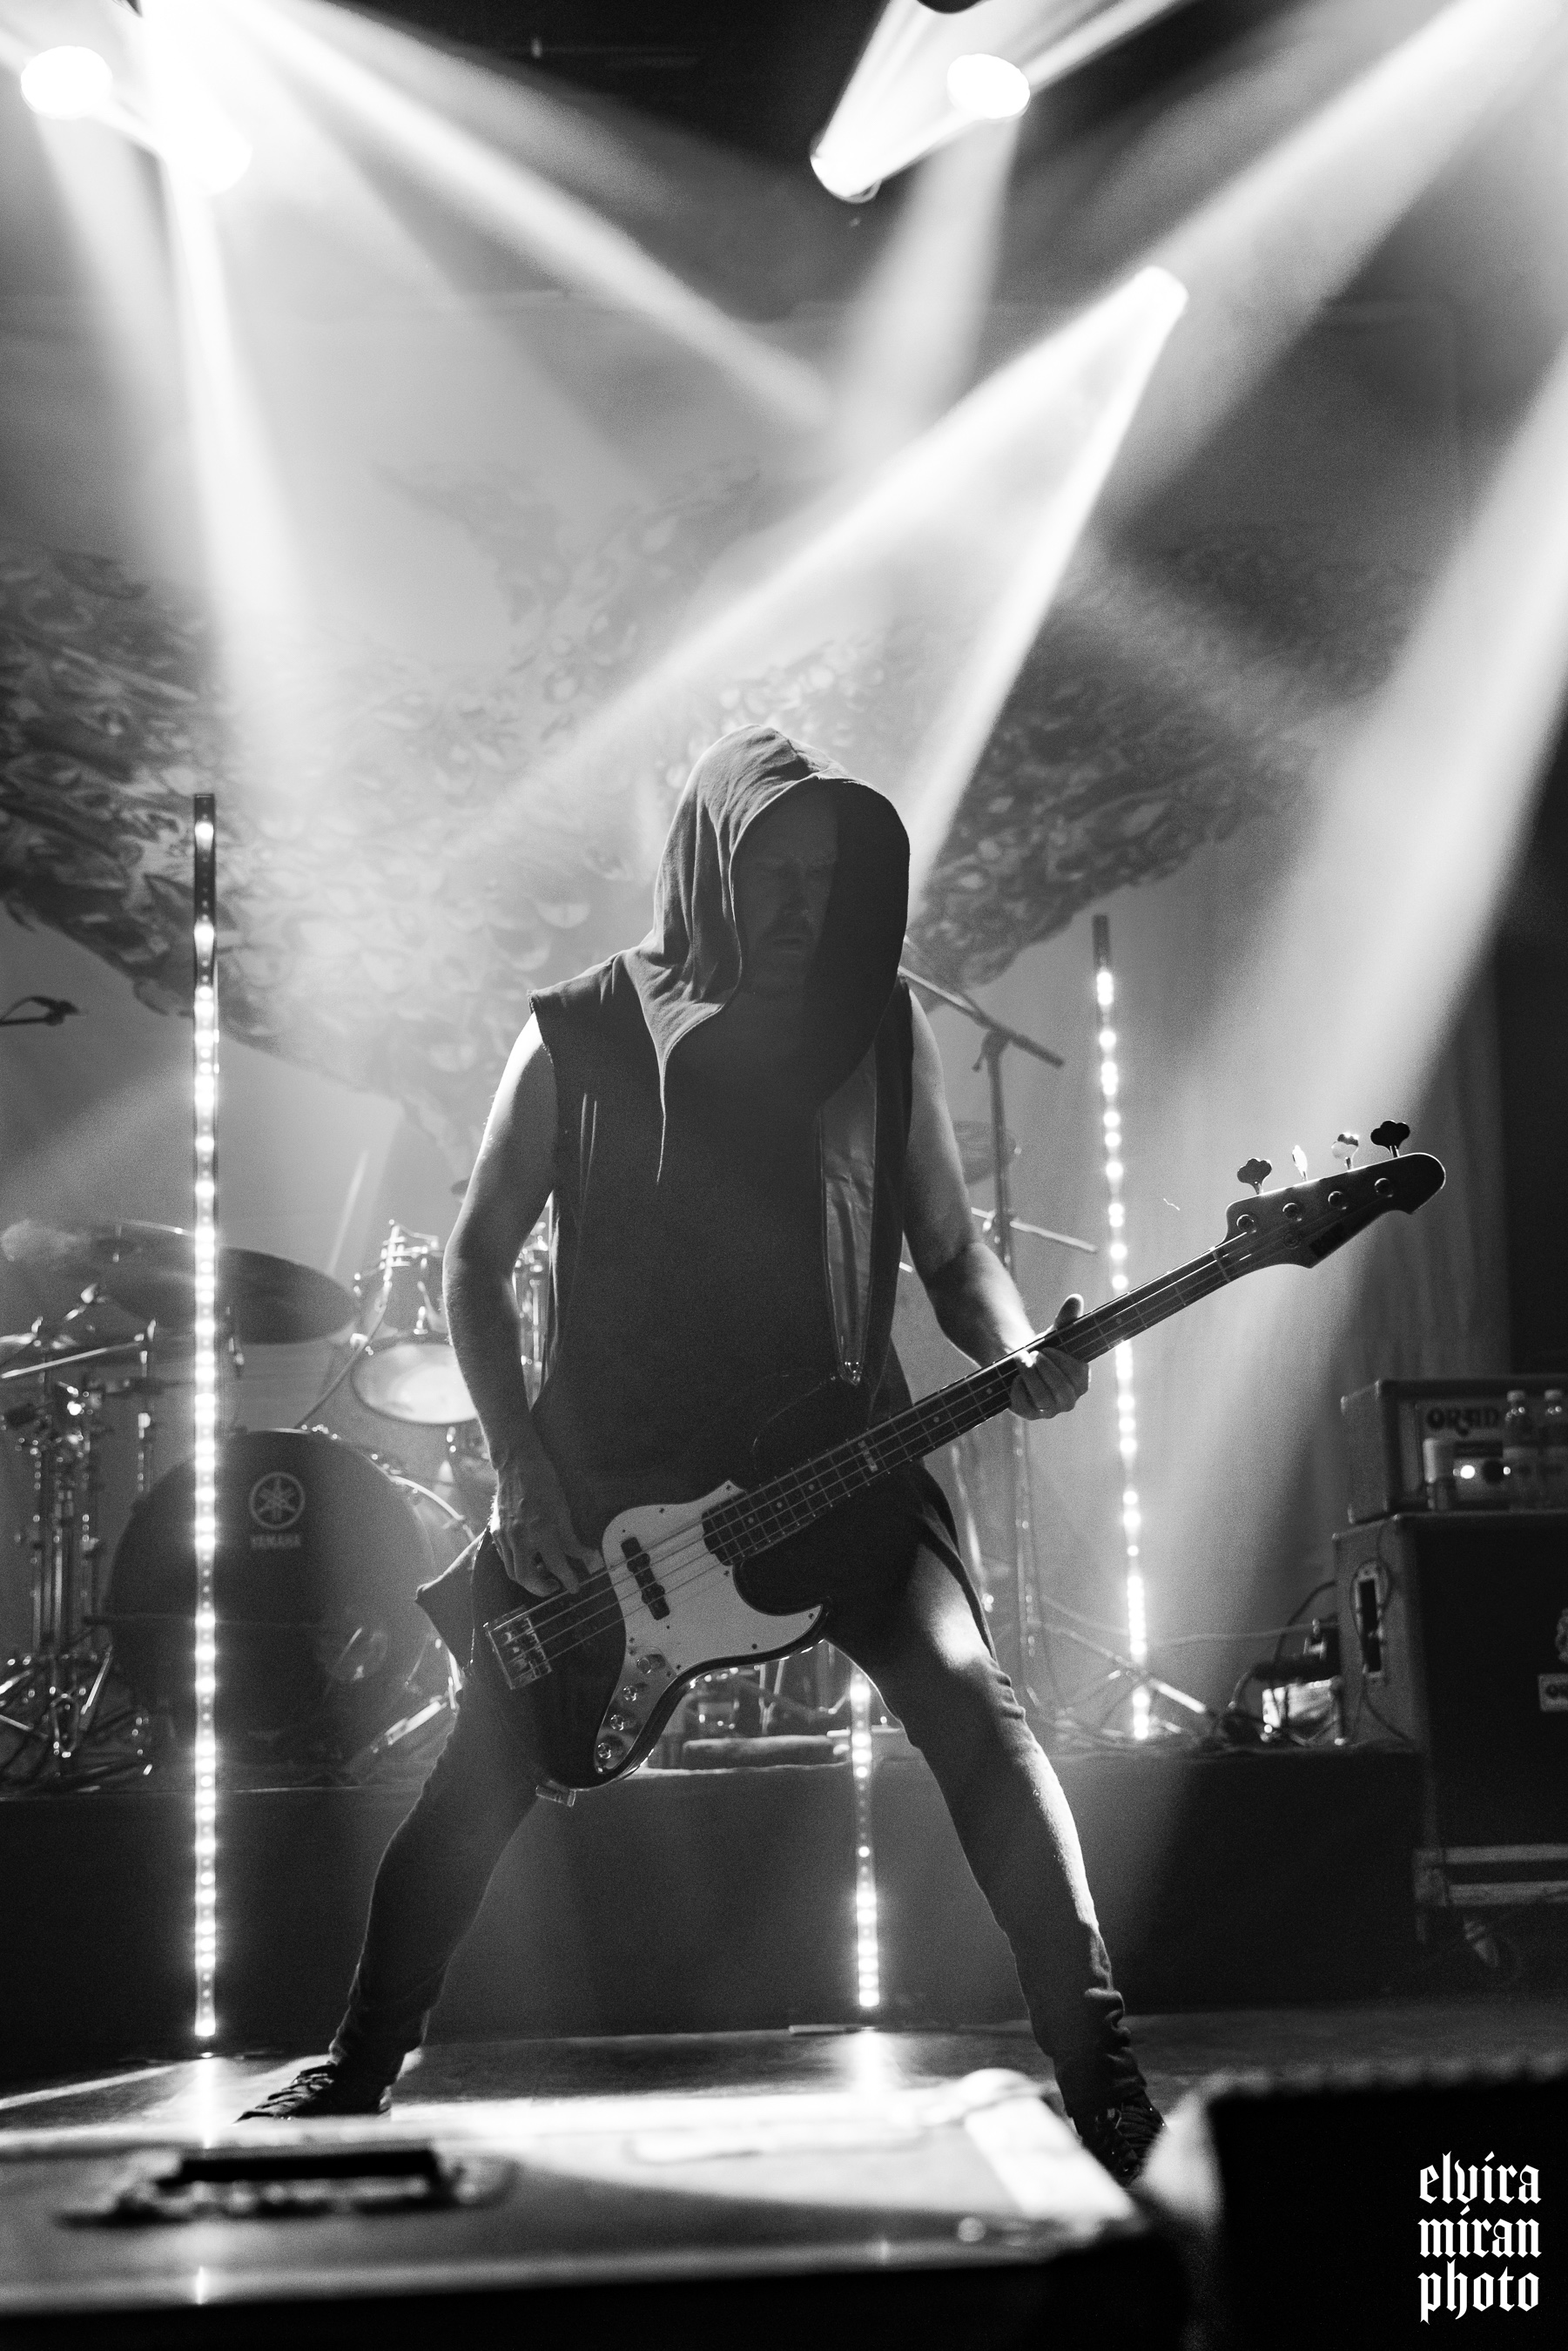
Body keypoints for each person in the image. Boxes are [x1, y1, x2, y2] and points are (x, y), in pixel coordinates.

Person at [245, 724, 1163, 2181]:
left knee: (979, 1721)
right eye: (774, 871)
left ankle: (1105, 2083)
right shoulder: (578, 1030)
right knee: (483, 1771)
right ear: (704, 865)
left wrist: (1014, 1354)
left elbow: (950, 1248)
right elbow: (476, 1262)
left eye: (830, 874)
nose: (807, 903)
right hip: (613, 1481)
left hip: (847, 1461)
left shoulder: (880, 1026)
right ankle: (354, 2070)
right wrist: (524, 1471)